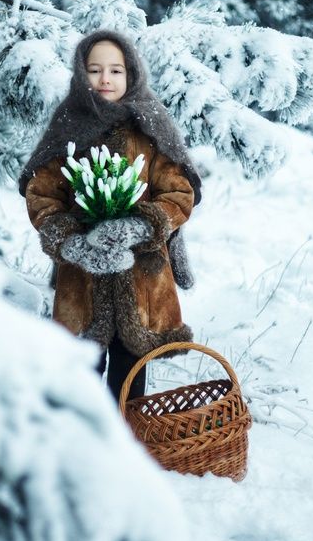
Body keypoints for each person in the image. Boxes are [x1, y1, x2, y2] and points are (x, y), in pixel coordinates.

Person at [19, 28, 201, 404]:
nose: (105, 78)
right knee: (82, 378)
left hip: (143, 279)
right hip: (82, 281)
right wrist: (71, 241)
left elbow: (179, 192)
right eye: (95, 69)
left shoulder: (150, 123)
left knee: (130, 375)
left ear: (131, 73)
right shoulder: (69, 123)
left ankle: (126, 444)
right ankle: (84, 447)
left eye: (116, 70)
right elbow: (42, 193)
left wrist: (142, 224)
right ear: (80, 73)